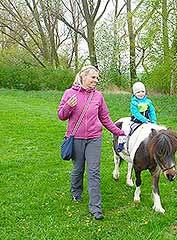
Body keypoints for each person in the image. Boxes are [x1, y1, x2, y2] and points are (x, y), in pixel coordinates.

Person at [58, 65, 126, 220]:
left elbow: (105, 118)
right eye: (93, 77)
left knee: (94, 171)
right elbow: (61, 115)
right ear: (83, 77)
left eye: (97, 78)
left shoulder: (98, 96)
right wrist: (69, 106)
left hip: (94, 138)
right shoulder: (70, 93)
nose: (96, 80)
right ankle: (76, 192)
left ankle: (96, 208)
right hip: (76, 138)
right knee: (78, 168)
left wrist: (120, 132)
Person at [116, 81, 157, 152]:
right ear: (134, 93)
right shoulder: (134, 102)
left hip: (147, 121)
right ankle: (121, 143)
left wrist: (153, 120)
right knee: (126, 129)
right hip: (136, 120)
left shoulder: (148, 101)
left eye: (142, 91)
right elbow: (136, 113)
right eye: (138, 92)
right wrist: (144, 119)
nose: (141, 94)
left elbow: (152, 111)